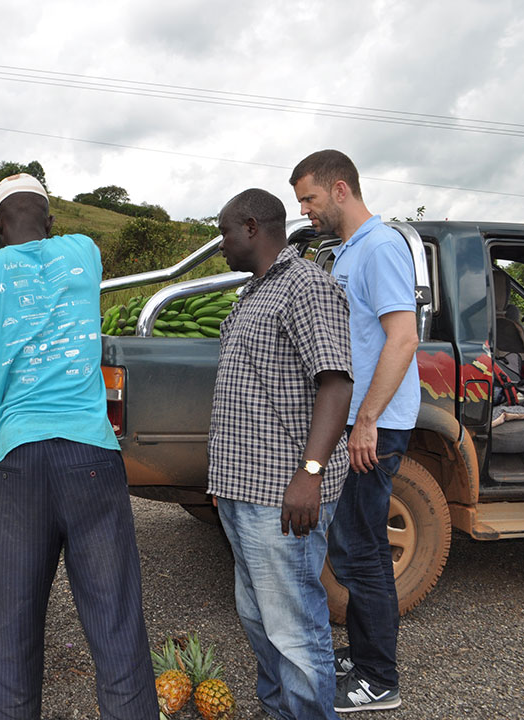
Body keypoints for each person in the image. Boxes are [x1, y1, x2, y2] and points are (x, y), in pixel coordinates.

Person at [0, 173, 158, 720]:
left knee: (15, 621)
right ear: (51, 222)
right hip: (91, 455)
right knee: (114, 616)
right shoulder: (84, 249)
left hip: (19, 461)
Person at [208, 188, 353, 719]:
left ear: (251, 226)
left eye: (224, 232)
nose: (220, 243)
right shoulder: (255, 292)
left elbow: (336, 384)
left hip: (281, 493)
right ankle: (277, 710)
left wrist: (310, 474)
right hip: (243, 490)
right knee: (257, 617)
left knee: (294, 627)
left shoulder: (305, 287)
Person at [290, 149, 421, 713]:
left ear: (340, 190)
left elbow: (403, 338)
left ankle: (378, 679)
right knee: (350, 547)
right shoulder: (346, 252)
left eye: (310, 199)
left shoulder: (382, 246)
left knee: (361, 552)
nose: (305, 211)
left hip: (376, 425)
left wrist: (366, 419)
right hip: (357, 422)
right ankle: (366, 654)